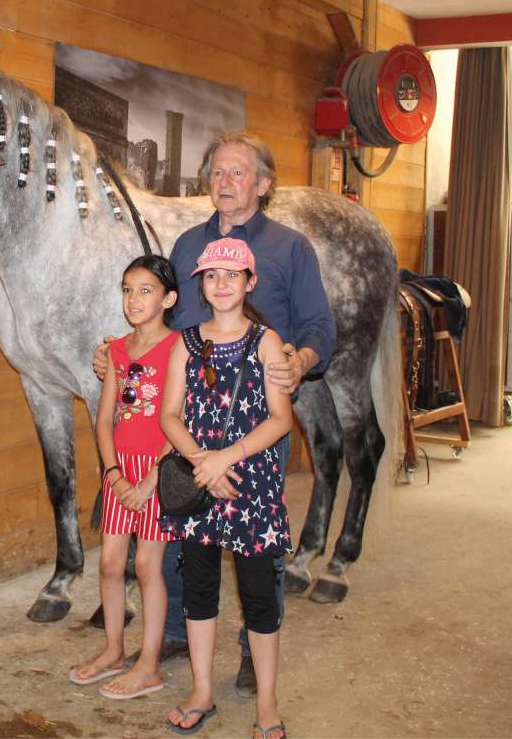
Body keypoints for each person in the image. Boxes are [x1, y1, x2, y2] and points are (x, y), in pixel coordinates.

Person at [93, 131, 335, 696]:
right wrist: (119, 354)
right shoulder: (186, 247)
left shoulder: (289, 248)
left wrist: (300, 359)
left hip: (256, 420)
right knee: (180, 525)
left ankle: (255, 647)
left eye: (238, 173)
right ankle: (177, 630)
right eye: (217, 173)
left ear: (264, 184)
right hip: (189, 422)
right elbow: (162, 325)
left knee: (258, 545)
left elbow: (319, 325)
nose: (225, 183)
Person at [160, 238, 293, 737]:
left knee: (260, 594)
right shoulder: (186, 341)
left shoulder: (266, 341)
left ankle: (267, 702)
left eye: (232, 275)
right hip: (199, 484)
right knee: (199, 590)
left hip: (250, 485)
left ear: (249, 282)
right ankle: (201, 690)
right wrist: (201, 463)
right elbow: (169, 413)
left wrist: (226, 459)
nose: (221, 284)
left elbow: (280, 419)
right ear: (201, 283)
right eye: (212, 275)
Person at [70, 255, 179, 700]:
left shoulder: (179, 349)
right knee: (111, 563)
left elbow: (180, 421)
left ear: (169, 298)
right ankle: (114, 650)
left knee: (146, 566)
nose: (134, 299)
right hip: (120, 473)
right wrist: (113, 474)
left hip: (158, 471)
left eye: (146, 290)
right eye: (128, 289)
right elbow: (103, 421)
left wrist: (151, 480)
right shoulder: (116, 350)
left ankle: (149, 665)